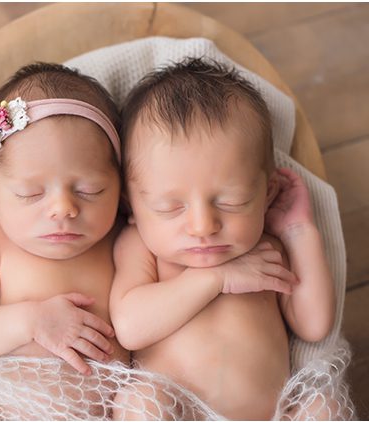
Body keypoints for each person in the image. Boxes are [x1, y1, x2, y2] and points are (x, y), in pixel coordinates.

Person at [109, 58, 335, 420]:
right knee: (141, 400)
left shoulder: (267, 248)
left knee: (324, 406)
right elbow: (130, 328)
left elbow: (314, 324)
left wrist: (298, 232)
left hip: (273, 415)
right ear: (130, 205)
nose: (203, 225)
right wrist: (215, 279)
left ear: (266, 193)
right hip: (179, 412)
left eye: (232, 202)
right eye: (170, 207)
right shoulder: (141, 247)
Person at [0, 63, 128, 379]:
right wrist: (31, 321)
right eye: (30, 193)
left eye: (90, 190)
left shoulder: (123, 239)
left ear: (121, 184)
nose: (63, 209)